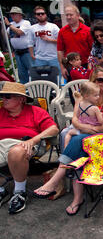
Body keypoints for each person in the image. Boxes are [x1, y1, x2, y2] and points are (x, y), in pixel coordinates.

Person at [33, 66, 103, 216]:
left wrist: (91, 130)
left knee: (76, 139)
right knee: (77, 147)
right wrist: (84, 127)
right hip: (87, 136)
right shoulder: (83, 98)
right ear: (93, 82)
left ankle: (58, 183)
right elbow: (74, 119)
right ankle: (76, 197)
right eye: (100, 80)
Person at [0, 82, 59, 214]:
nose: (3, 99)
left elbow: (53, 129)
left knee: (17, 151)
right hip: (1, 145)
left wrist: (34, 140)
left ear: (21, 99)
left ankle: (19, 191)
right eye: (3, 96)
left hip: (25, 144)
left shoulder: (35, 111)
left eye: (7, 96)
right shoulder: (1, 112)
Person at [57, 5, 93, 82]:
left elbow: (92, 50)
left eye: (71, 15)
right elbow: (60, 51)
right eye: (67, 15)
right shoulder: (62, 31)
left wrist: (90, 67)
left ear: (77, 15)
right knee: (72, 91)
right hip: (70, 66)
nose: (69, 17)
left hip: (85, 66)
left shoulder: (87, 30)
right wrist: (62, 67)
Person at [64, 81, 103, 148]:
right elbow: (101, 122)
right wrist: (101, 116)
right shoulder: (95, 108)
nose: (98, 97)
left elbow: (77, 116)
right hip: (92, 130)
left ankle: (66, 147)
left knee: (69, 133)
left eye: (98, 95)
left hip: (81, 129)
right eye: (95, 95)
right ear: (86, 96)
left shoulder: (80, 105)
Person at [28, 6, 61, 78]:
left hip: (53, 57)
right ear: (35, 16)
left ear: (45, 14)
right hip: (39, 58)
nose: (40, 15)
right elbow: (30, 42)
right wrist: (32, 54)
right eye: (38, 14)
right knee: (41, 80)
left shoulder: (53, 26)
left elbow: (61, 41)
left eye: (42, 13)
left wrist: (49, 40)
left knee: (56, 79)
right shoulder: (32, 28)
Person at [4, 6, 32, 84]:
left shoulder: (25, 23)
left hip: (27, 51)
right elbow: (6, 37)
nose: (12, 16)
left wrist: (9, 25)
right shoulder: (11, 24)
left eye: (14, 14)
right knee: (21, 73)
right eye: (11, 14)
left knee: (32, 71)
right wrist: (3, 26)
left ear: (20, 15)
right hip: (17, 52)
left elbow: (20, 32)